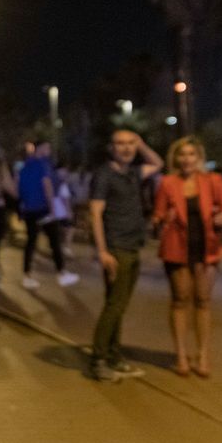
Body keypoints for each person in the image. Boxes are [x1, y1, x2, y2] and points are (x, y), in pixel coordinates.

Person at [153, 137, 222, 378]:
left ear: (199, 158)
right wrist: (162, 219)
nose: (186, 159)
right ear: (175, 159)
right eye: (182, 154)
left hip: (207, 249)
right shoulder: (167, 183)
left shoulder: (213, 181)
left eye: (191, 154)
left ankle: (203, 356)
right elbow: (156, 219)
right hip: (176, 249)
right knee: (179, 300)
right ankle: (180, 355)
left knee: (203, 301)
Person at [88, 129, 163, 382]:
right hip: (116, 248)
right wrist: (102, 251)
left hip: (133, 245)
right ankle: (99, 359)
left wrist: (141, 144)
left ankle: (114, 356)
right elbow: (96, 214)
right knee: (114, 305)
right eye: (120, 143)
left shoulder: (132, 172)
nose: (127, 148)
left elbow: (158, 163)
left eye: (131, 143)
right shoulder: (104, 175)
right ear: (111, 147)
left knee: (119, 305)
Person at [17, 141, 78, 289]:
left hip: (29, 210)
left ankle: (27, 275)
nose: (49, 150)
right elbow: (47, 186)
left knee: (31, 242)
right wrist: (53, 209)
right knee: (55, 241)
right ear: (40, 148)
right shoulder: (43, 164)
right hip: (43, 208)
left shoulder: (25, 166)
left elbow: (17, 187)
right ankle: (62, 273)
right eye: (47, 147)